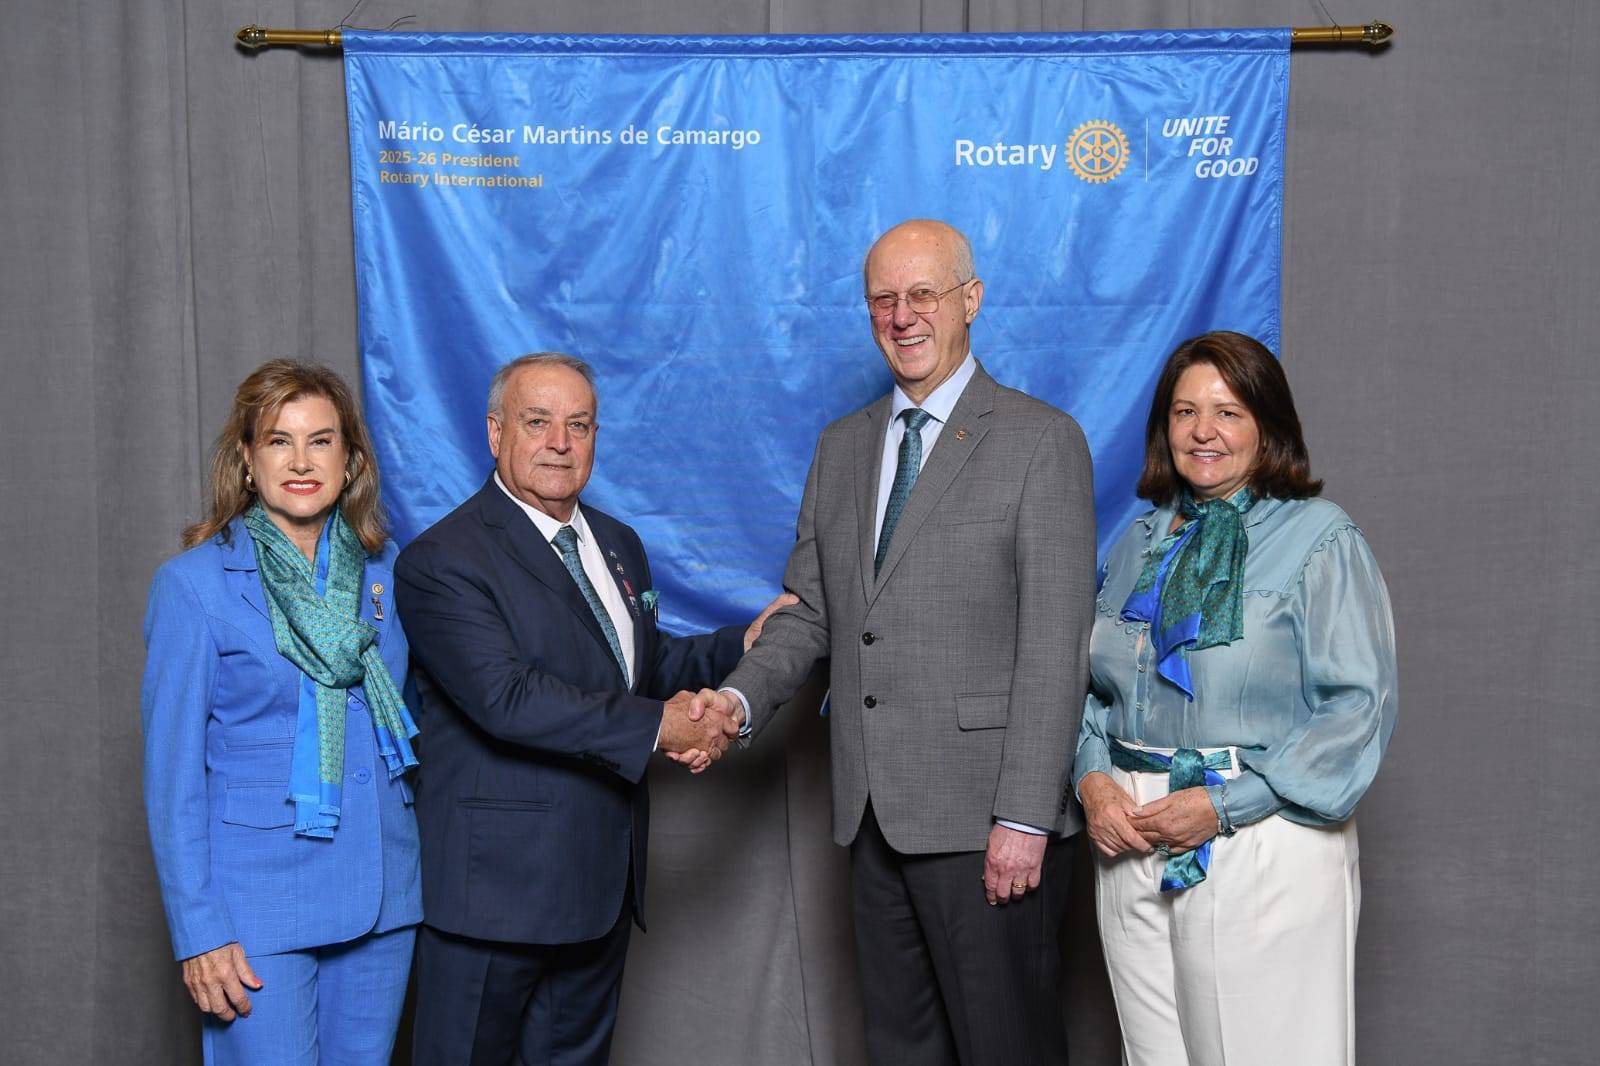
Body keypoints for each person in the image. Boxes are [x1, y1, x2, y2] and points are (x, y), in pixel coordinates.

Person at [687, 219, 1097, 1065]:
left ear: (970, 300)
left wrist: (1023, 815)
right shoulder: (842, 447)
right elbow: (811, 613)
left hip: (990, 823)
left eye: (922, 295)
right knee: (901, 1050)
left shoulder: (1040, 441)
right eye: (883, 299)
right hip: (872, 816)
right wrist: (732, 702)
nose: (902, 316)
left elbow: (1057, 646)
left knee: (1006, 1047)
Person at [395, 352, 790, 1066]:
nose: (560, 442)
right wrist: (664, 727)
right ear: (494, 432)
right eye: (538, 422)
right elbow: (506, 699)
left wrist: (741, 644)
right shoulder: (441, 560)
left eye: (579, 425)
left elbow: (639, 667)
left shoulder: (616, 544)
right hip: (495, 901)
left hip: (598, 888)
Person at [1073, 330, 1397, 1066]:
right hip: (1129, 834)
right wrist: (1092, 780)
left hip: (1259, 830)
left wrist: (1223, 806)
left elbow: (1358, 708)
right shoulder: (1137, 543)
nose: (1203, 431)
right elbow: (1095, 690)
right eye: (1185, 412)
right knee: (1153, 1055)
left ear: (1268, 425)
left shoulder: (1320, 538)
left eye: (1228, 411)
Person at [141, 360, 422, 1065]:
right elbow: (171, 778)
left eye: (321, 441)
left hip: (383, 895)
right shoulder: (194, 586)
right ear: (246, 458)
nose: (301, 462)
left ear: (351, 458)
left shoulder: (389, 575)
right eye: (278, 441)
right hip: (256, 904)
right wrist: (199, 930)